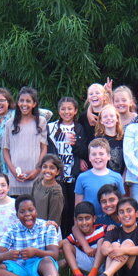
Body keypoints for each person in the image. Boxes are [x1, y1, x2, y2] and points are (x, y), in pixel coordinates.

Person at [0, 194, 62, 276]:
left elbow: (54, 254)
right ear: (17, 215)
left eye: (31, 210)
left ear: (36, 211)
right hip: (19, 267)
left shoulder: (47, 227)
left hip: (39, 266)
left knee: (47, 261)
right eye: (22, 211)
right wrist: (6, 255)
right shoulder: (12, 230)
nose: (27, 214)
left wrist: (35, 252)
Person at [95, 197, 138, 276]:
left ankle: (106, 275)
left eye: (129, 211)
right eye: (121, 212)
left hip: (137, 273)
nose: (125, 214)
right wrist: (115, 250)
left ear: (137, 213)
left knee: (128, 243)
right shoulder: (114, 230)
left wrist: (122, 251)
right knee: (114, 244)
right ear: (118, 217)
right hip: (118, 275)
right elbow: (104, 250)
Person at [47, 97, 87, 236]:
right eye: (63, 109)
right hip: (57, 174)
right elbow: (49, 150)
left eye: (70, 109)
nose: (66, 112)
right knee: (61, 207)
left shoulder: (79, 128)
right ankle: (59, 237)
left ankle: (72, 237)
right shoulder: (51, 127)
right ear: (58, 110)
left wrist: (75, 145)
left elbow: (84, 150)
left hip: (73, 173)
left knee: (72, 207)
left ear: (75, 111)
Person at [2, 86, 48, 197]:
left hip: (35, 174)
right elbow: (5, 150)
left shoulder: (41, 122)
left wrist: (37, 170)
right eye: (21, 100)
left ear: (34, 104)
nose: (24, 104)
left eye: (28, 101)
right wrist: (13, 171)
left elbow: (44, 148)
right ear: (18, 103)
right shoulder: (10, 124)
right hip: (16, 176)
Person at [61, 201, 106, 276]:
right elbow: (61, 244)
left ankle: (92, 275)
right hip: (86, 262)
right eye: (80, 219)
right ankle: (78, 275)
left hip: (102, 265)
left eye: (87, 218)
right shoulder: (76, 236)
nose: (84, 222)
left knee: (102, 241)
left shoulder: (102, 229)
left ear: (94, 218)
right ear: (75, 220)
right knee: (66, 244)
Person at [74, 138, 124, 214]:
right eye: (94, 154)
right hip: (90, 219)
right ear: (89, 157)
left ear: (108, 156)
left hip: (111, 220)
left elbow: (121, 203)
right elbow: (78, 205)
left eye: (101, 154)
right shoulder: (82, 177)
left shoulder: (117, 177)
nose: (97, 157)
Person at [31, 154, 64, 225]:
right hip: (34, 225)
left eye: (52, 168)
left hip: (46, 228)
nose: (47, 170)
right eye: (45, 167)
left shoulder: (56, 192)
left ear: (57, 172)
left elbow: (54, 218)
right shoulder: (37, 183)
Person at [78, 83, 112, 148]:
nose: (94, 95)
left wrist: (110, 92)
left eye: (97, 93)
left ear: (104, 97)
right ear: (88, 98)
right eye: (91, 94)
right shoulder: (84, 116)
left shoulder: (109, 114)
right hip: (89, 151)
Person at [95, 104, 125, 174]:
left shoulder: (124, 138)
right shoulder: (98, 140)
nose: (108, 118)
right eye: (105, 116)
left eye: (111, 116)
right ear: (101, 121)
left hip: (121, 176)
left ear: (117, 118)